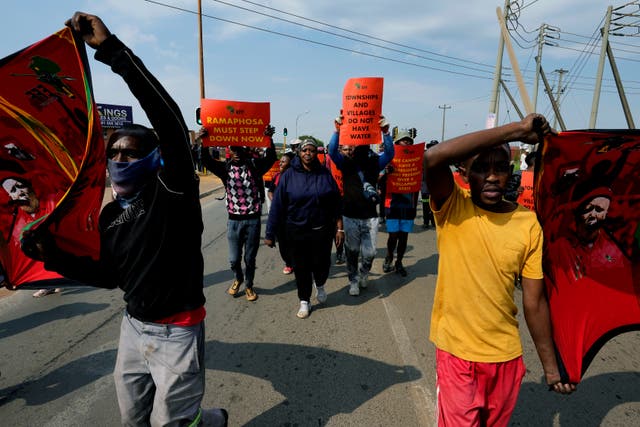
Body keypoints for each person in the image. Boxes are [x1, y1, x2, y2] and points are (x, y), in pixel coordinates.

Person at [24, 13, 228, 426]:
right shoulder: (111, 215)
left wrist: (112, 50)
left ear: (153, 159)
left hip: (179, 332)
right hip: (133, 329)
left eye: (130, 152)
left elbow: (168, 116)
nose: (119, 158)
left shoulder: (173, 192)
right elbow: (109, 275)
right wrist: (51, 253)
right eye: (114, 152)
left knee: (170, 423)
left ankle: (210, 420)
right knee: (133, 419)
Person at [423, 113, 574, 426]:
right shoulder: (453, 206)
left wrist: (550, 367)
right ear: (464, 173)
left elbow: (534, 301)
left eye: (500, 167)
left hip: (505, 358)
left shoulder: (528, 224)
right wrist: (517, 130)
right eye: (480, 168)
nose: (492, 176)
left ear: (511, 173)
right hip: (457, 354)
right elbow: (433, 158)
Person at [265, 139, 343, 318]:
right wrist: (270, 233)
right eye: (305, 150)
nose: (308, 153)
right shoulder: (289, 175)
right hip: (296, 232)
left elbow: (335, 202)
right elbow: (277, 205)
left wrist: (339, 228)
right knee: (301, 268)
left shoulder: (324, 174)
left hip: (322, 231)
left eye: (312, 150)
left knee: (322, 264)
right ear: (299, 153)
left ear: (316, 154)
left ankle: (321, 285)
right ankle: (304, 300)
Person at [199, 126, 277, 302]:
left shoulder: (255, 166)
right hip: (233, 221)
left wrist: (268, 139)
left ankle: (249, 285)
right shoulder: (224, 169)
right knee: (234, 260)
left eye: (239, 148)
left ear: (245, 149)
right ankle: (238, 278)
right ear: (229, 150)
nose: (236, 151)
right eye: (232, 148)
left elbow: (271, 158)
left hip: (253, 220)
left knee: (250, 258)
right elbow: (206, 161)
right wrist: (204, 141)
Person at [328, 115, 394, 296]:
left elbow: (389, 154)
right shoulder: (346, 162)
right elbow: (332, 152)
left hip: (370, 217)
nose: (360, 147)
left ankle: (364, 273)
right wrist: (337, 130)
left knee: (370, 252)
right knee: (352, 251)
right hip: (350, 216)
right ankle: (353, 280)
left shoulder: (374, 162)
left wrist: (386, 133)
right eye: (357, 145)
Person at [0, 176, 62, 296]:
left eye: (20, 186)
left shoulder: (52, 201)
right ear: (12, 198)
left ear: (29, 186)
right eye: (13, 191)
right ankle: (46, 283)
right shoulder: (17, 219)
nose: (19, 192)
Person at [381, 130, 420, 277]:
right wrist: (386, 172)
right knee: (393, 236)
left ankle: (399, 262)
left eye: (409, 141)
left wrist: (415, 206)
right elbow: (378, 179)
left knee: (404, 237)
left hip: (408, 205)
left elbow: (416, 187)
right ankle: (389, 256)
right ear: (397, 143)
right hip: (392, 204)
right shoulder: (389, 159)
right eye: (404, 141)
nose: (407, 143)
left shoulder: (415, 160)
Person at [267, 151, 295, 274]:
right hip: (280, 216)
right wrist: (275, 200)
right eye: (281, 161)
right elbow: (270, 191)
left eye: (284, 162)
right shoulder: (277, 176)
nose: (281, 163)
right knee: (282, 243)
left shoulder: (295, 177)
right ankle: (288, 263)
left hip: (292, 216)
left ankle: (297, 262)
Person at [421, 140, 438, 228]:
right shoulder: (424, 158)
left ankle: (434, 222)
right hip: (425, 187)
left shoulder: (440, 158)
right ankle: (426, 222)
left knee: (435, 205)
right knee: (425, 205)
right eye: (431, 146)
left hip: (436, 187)